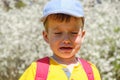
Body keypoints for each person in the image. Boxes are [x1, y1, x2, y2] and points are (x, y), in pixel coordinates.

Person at [19, 0, 101, 80]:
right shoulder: (37, 70)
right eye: (58, 33)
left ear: (82, 36)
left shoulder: (91, 71)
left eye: (73, 33)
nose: (66, 40)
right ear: (46, 36)